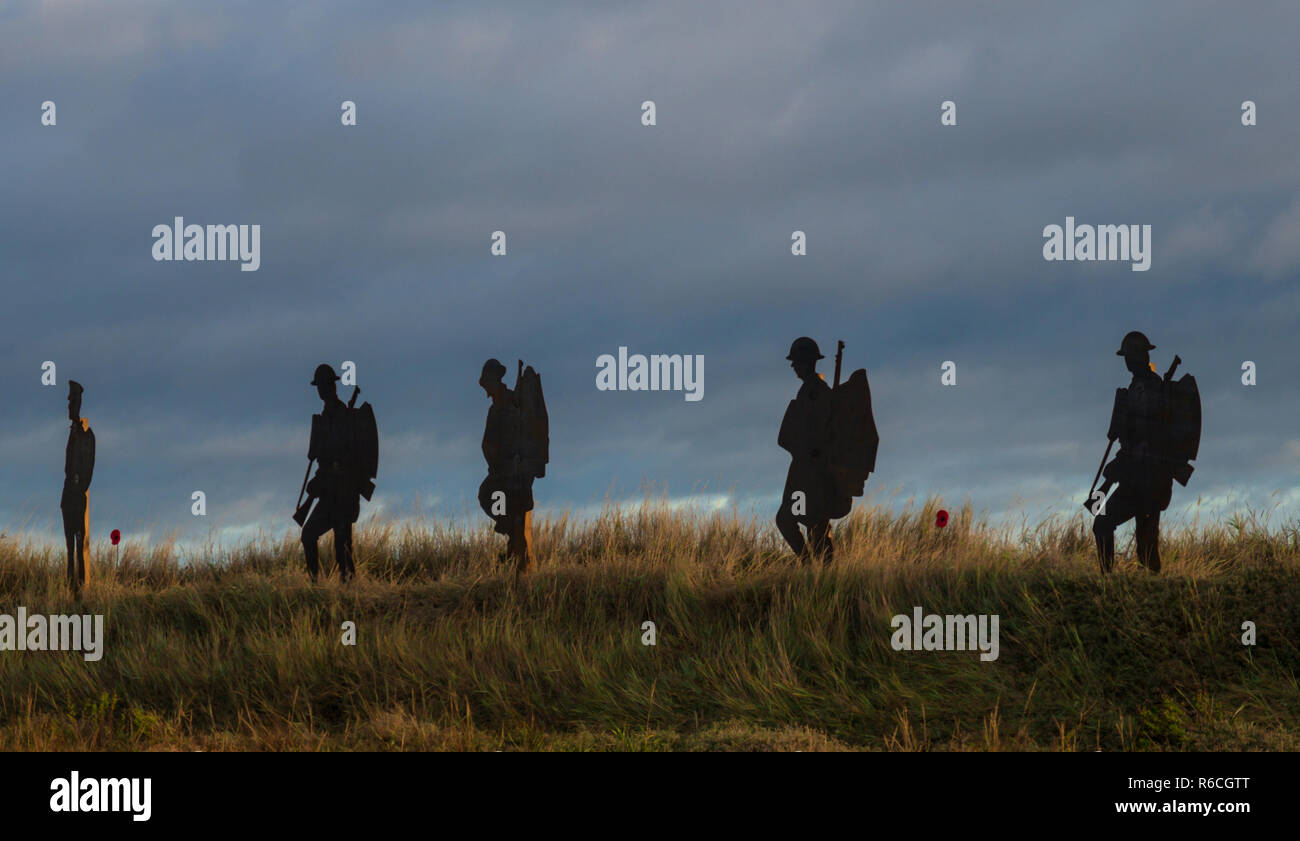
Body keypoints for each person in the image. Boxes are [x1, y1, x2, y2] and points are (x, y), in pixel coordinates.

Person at [1092, 331, 1172, 573]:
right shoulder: (1140, 386)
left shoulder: (1149, 388)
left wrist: (1117, 468)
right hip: (1140, 479)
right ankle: (1114, 583)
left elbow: (1146, 437)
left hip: (1147, 479)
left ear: (1138, 356)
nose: (1126, 361)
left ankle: (1115, 585)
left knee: (1139, 542)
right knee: (1138, 539)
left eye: (1128, 356)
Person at [775, 337, 845, 563]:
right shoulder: (808, 392)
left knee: (812, 525)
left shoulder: (819, 393)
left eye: (797, 362)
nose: (794, 366)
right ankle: (809, 566)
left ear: (807, 363)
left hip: (814, 475)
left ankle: (815, 570)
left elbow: (825, 435)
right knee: (802, 522)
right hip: (804, 472)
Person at [299, 364, 362, 582]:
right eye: (319, 386)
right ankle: (314, 584)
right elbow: (325, 459)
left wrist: (325, 476)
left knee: (342, 546)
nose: (321, 390)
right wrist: (317, 482)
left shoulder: (343, 415)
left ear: (331, 385)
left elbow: (344, 457)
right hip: (328, 492)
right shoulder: (325, 416)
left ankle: (349, 589)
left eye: (323, 385)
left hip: (343, 492)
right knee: (308, 535)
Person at [61, 380, 95, 596]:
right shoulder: (74, 433)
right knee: (70, 546)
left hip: (77, 493)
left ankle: (81, 585)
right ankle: (71, 584)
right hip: (69, 494)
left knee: (80, 542)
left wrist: (79, 485)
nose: (68, 407)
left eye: (71, 402)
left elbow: (87, 465)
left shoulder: (85, 435)